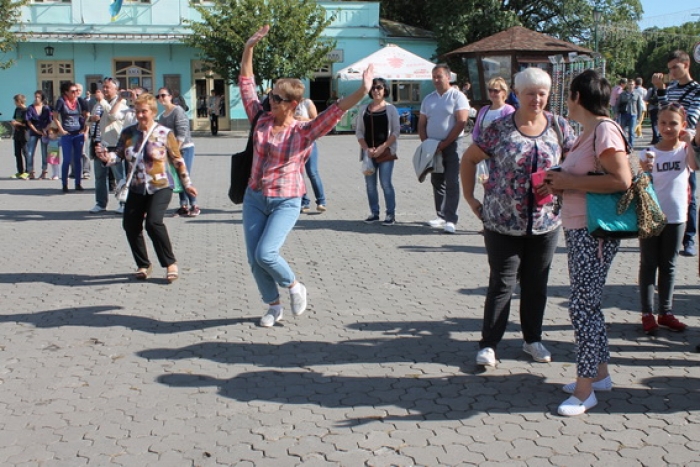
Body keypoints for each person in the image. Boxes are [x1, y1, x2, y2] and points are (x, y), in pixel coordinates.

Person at [239, 25, 373, 327]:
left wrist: (362, 91)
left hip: (286, 200)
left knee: (266, 253)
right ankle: (273, 307)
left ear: (292, 103)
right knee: (253, 259)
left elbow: (335, 111)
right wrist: (249, 48)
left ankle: (294, 286)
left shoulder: (302, 131)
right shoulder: (260, 118)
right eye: (270, 95)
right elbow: (246, 83)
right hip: (254, 197)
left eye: (276, 98)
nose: (269, 100)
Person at [460, 67, 575, 368]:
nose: (537, 99)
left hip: (545, 221)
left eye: (542, 94)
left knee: (537, 284)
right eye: (530, 94)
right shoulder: (499, 128)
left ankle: (532, 339)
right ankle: (489, 344)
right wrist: (470, 198)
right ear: (518, 94)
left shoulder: (559, 126)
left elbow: (576, 161)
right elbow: (469, 159)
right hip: (502, 220)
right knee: (502, 284)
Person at [542, 69, 633, 416]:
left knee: (582, 307)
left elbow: (621, 180)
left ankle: (584, 390)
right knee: (586, 303)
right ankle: (600, 375)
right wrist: (560, 182)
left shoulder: (605, 130)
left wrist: (568, 181)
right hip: (582, 227)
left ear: (577, 97)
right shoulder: (591, 132)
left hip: (593, 231)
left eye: (568, 95)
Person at [94, 93, 197, 282]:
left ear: (153, 112)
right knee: (130, 224)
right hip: (137, 186)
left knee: (153, 222)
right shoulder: (128, 133)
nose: (140, 115)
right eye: (137, 111)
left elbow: (177, 160)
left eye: (144, 111)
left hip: (161, 185)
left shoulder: (164, 133)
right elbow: (118, 155)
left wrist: (187, 184)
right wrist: (106, 158)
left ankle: (170, 263)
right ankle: (143, 264)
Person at [638, 103, 696, 335]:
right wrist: (644, 168)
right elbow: (640, 181)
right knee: (649, 264)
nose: (668, 127)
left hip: (677, 216)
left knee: (669, 265)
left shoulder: (684, 151)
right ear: (657, 124)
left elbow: (694, 165)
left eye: (673, 123)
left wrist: (690, 141)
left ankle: (666, 312)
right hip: (651, 217)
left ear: (682, 125)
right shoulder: (648, 151)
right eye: (663, 122)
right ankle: (646, 313)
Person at [653, 50, 700, 257]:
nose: (671, 72)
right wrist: (661, 91)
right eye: (670, 68)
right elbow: (664, 113)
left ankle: (688, 238)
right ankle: (662, 228)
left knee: (690, 192)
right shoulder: (670, 88)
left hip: (685, 146)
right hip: (667, 146)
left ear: (686, 64)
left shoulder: (697, 90)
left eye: (675, 67)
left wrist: (675, 126)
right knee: (663, 188)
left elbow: (690, 119)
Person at [418, 64, 470, 234]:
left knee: (452, 181)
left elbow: (461, 121)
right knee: (437, 179)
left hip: (453, 144)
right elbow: (422, 122)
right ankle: (440, 215)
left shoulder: (458, 97)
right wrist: (427, 143)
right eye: (433, 77)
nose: (435, 80)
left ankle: (451, 219)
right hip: (433, 145)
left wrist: (445, 143)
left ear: (448, 77)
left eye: (439, 76)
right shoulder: (429, 99)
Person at [355, 77, 400, 225]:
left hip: (385, 152)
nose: (376, 90)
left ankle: (390, 214)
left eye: (379, 87)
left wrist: (383, 147)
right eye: (373, 88)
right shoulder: (363, 109)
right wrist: (366, 149)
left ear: (385, 90)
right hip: (369, 153)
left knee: (386, 183)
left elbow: (395, 131)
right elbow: (359, 132)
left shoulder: (391, 109)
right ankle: (374, 213)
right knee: (370, 185)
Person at [88, 77, 130, 214]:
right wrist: (91, 119)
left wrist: (102, 101)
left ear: (116, 89)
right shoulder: (99, 104)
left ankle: (123, 203)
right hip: (101, 143)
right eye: (103, 87)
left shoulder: (121, 104)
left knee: (119, 176)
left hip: (115, 144)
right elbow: (91, 120)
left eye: (108, 87)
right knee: (100, 176)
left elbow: (113, 115)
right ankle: (100, 203)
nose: (104, 90)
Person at [157, 87, 200, 217]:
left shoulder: (178, 111)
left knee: (183, 175)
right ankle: (183, 206)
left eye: (164, 95)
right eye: (159, 96)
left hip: (185, 148)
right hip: (172, 150)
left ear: (170, 97)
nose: (161, 98)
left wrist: (175, 152)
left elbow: (182, 133)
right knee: (177, 178)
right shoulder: (162, 116)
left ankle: (194, 205)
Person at [53, 81, 89, 192]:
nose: (75, 93)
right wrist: (61, 130)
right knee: (67, 159)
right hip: (67, 134)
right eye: (72, 91)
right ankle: (64, 184)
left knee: (78, 159)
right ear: (66, 92)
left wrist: (85, 131)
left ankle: (78, 183)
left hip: (78, 134)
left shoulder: (80, 101)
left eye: (77, 91)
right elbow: (55, 117)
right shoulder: (61, 101)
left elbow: (87, 116)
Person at [294, 97, 327, 213]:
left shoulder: (307, 103)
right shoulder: (287, 104)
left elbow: (316, 120)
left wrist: (302, 119)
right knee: (299, 174)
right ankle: (304, 202)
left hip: (309, 142)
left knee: (312, 172)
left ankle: (321, 201)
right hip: (294, 144)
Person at [470, 77, 516, 144]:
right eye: (490, 90)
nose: (492, 93)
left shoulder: (508, 110)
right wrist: (478, 143)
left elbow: (510, 133)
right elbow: (476, 130)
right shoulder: (483, 109)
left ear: (504, 92)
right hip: (481, 148)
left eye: (496, 91)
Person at [25, 90, 53, 180]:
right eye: (35, 97)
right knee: (30, 152)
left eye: (38, 97)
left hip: (44, 132)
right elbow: (29, 122)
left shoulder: (46, 108)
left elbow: (50, 121)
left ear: (42, 99)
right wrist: (36, 131)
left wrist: (45, 130)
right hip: (34, 132)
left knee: (44, 152)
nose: (36, 99)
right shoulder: (30, 108)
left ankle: (44, 171)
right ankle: (31, 172)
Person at [616, 80, 643, 148]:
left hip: (633, 114)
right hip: (624, 114)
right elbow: (617, 104)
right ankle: (623, 145)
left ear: (634, 85)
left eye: (632, 84)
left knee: (631, 131)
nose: (631, 86)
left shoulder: (637, 94)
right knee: (623, 131)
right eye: (629, 84)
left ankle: (631, 146)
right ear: (627, 85)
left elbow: (639, 106)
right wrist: (616, 113)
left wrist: (639, 116)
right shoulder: (622, 94)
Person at [9, 94, 29, 180]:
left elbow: (27, 124)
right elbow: (16, 119)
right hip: (17, 134)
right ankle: (20, 171)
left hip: (24, 134)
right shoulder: (17, 110)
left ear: (19, 101)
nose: (14, 103)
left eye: (15, 101)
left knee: (26, 153)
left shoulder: (26, 111)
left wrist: (18, 124)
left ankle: (28, 172)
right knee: (17, 153)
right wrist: (14, 123)